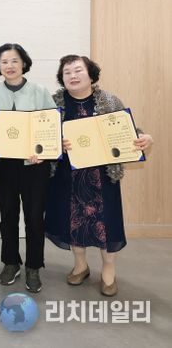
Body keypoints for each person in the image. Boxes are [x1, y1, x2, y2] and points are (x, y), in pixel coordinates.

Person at [45, 55, 153, 297]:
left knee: (108, 224)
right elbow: (44, 136)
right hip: (67, 175)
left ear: (91, 74)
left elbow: (128, 131)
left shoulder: (109, 100)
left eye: (78, 70)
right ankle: (80, 266)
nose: (73, 76)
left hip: (102, 176)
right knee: (73, 221)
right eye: (67, 72)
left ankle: (108, 270)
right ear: (62, 78)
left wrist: (144, 138)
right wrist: (56, 143)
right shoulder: (54, 103)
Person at [0, 43, 55, 293]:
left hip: (34, 166)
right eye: (4, 61)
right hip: (3, 166)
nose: (10, 66)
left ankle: (34, 266)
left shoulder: (40, 91)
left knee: (34, 217)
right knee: (8, 215)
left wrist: (43, 152)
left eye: (15, 60)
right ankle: (11, 262)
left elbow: (51, 127)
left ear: (24, 63)